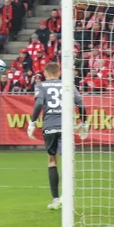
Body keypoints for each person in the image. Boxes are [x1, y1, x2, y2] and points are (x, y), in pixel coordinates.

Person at [28, 62, 88, 210]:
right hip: (66, 126)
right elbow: (81, 104)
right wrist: (84, 122)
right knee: (68, 161)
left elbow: (38, 105)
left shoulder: (41, 86)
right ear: (59, 72)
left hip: (49, 126)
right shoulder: (68, 85)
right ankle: (67, 196)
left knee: (52, 160)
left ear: (46, 73)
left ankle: (55, 199)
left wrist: (32, 122)